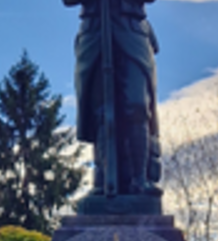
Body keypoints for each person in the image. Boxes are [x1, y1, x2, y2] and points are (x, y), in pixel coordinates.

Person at [64, 0, 162, 196]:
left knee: (137, 106)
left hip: (132, 29)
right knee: (100, 112)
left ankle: (140, 180)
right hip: (95, 30)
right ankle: (103, 178)